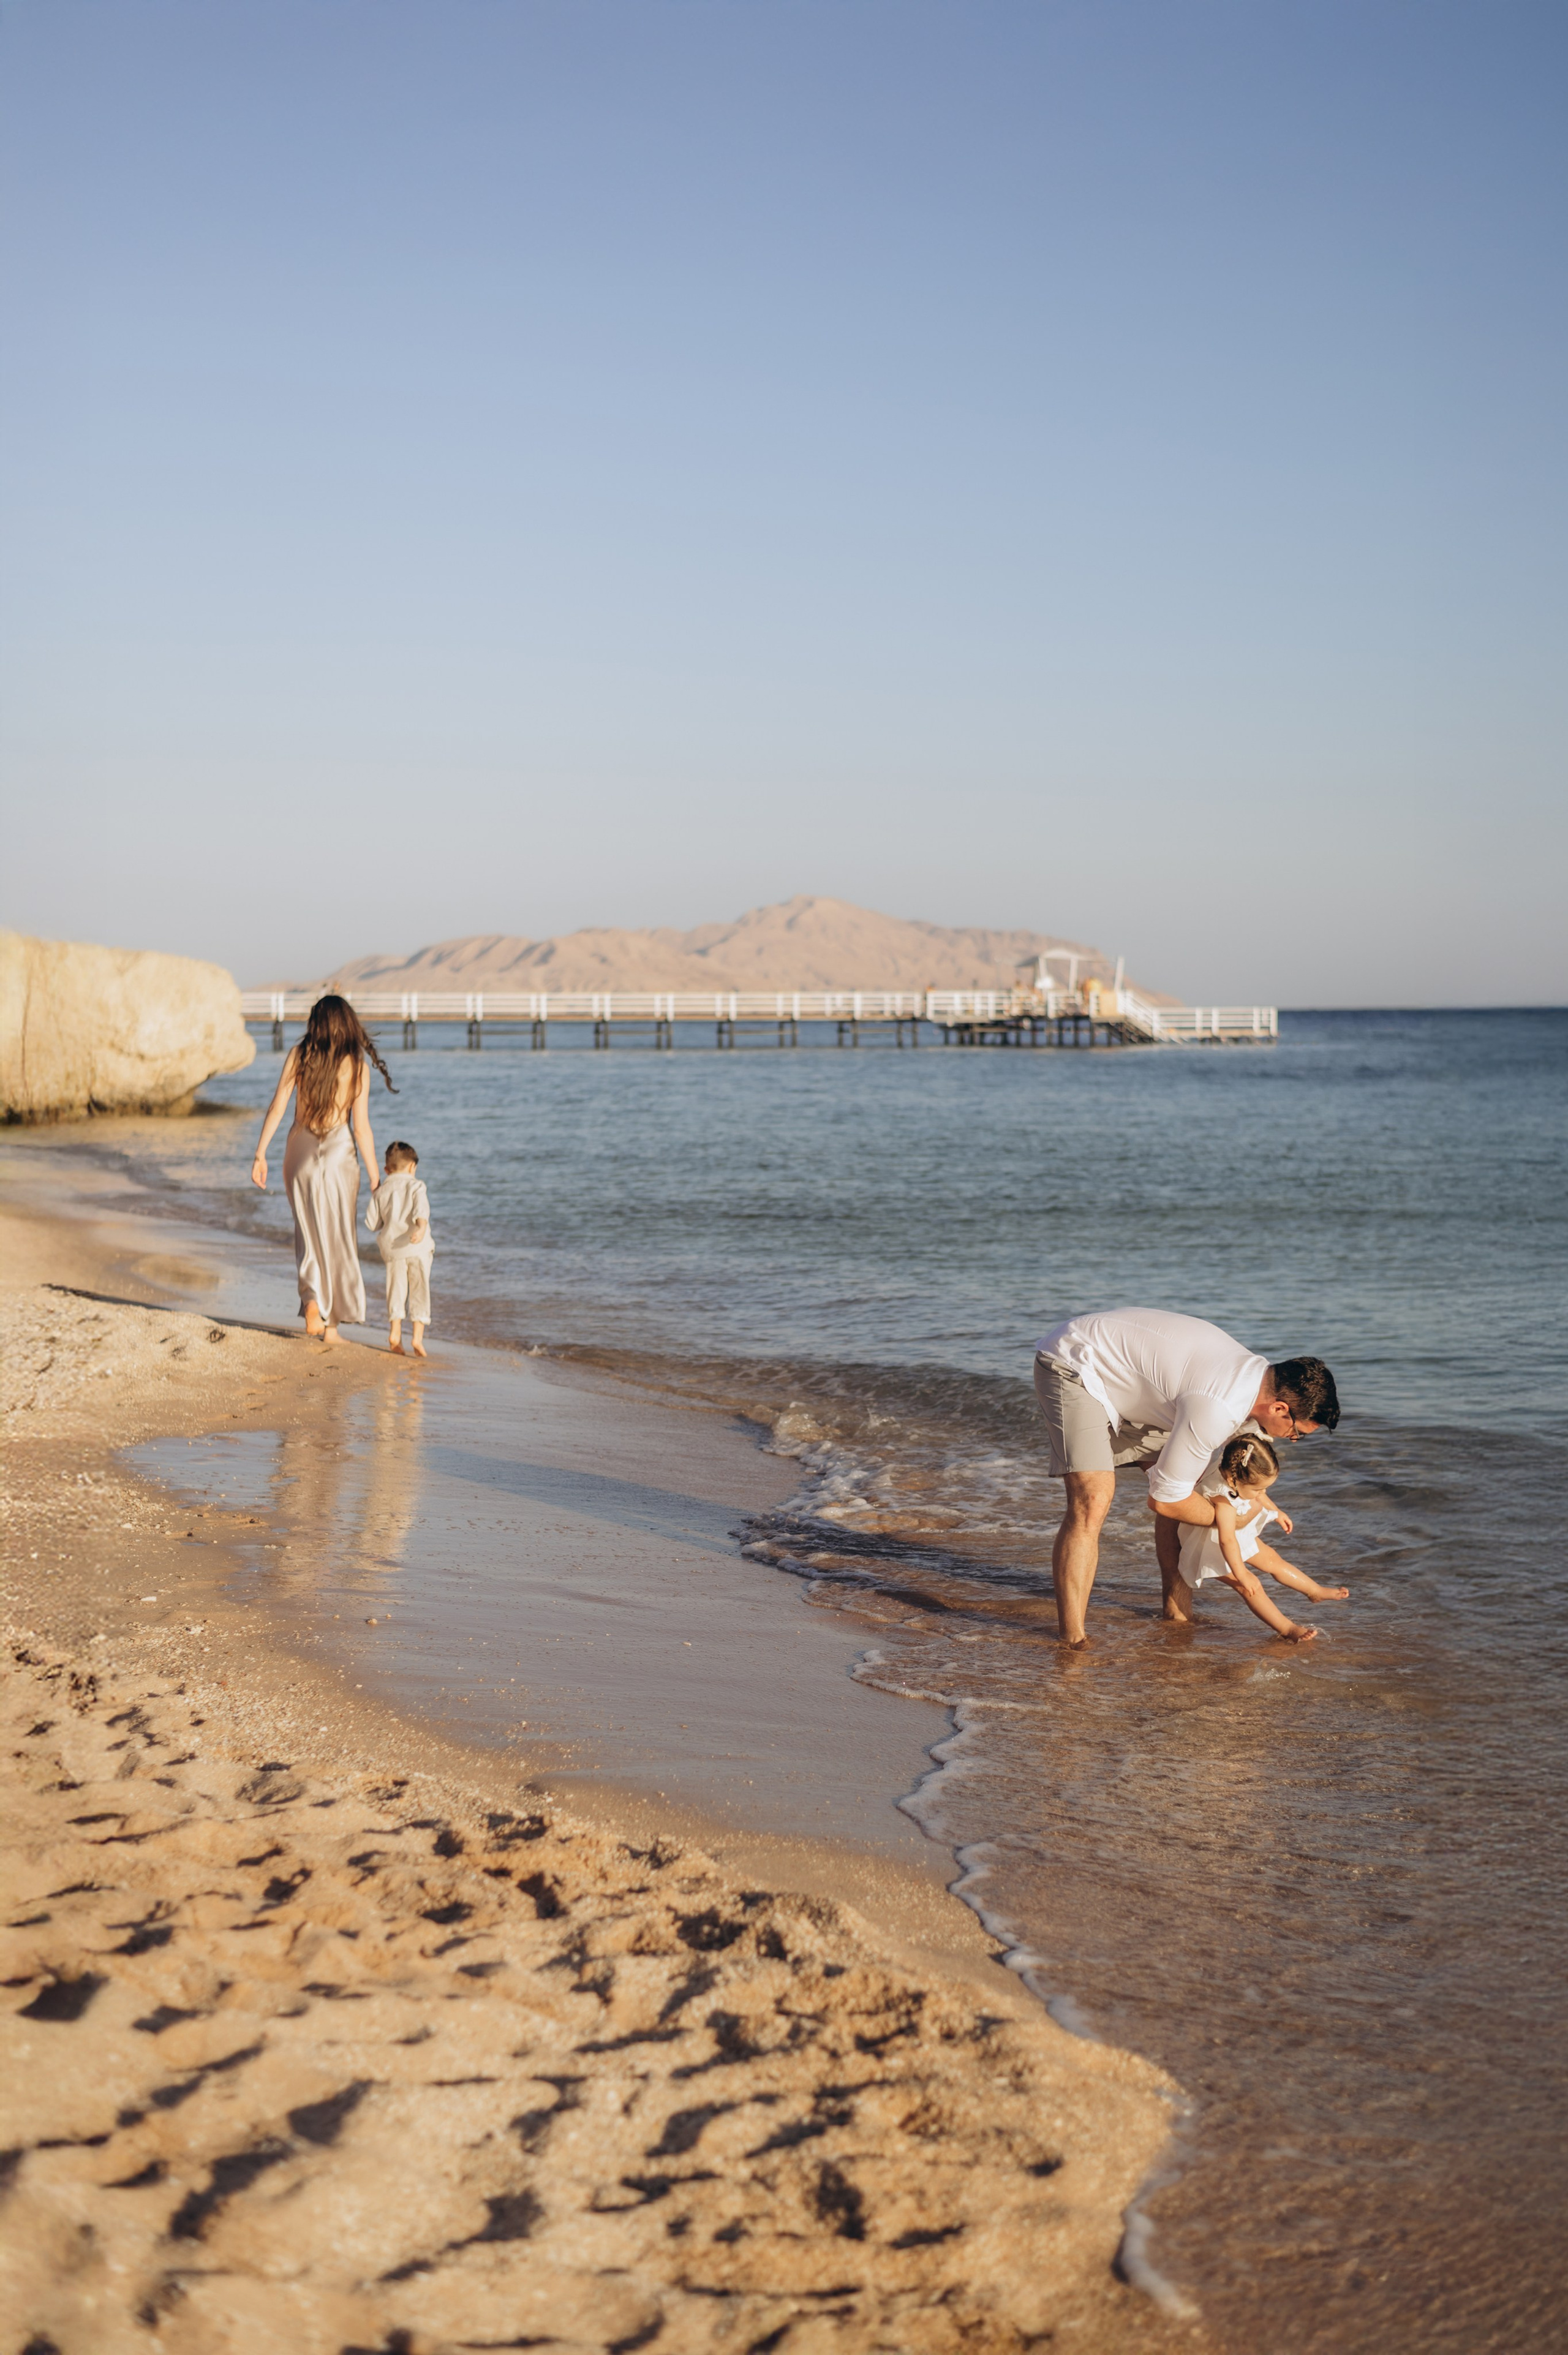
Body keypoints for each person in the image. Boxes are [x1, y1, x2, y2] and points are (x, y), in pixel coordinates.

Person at [1033, 1306, 1340, 1645]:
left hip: (1136, 1384)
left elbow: (1198, 1484)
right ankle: (1073, 1640)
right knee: (1094, 1500)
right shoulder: (1218, 1406)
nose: (1292, 1440)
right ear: (1279, 1408)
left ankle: (1175, 1608)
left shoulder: (1256, 1386)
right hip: (1077, 1363)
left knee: (1187, 1482)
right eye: (1297, 1432)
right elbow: (1165, 1501)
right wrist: (1227, 1518)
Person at [251, 995, 396, 1342]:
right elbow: (361, 1128)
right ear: (347, 1024)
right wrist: (376, 1176)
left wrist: (260, 1153)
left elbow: (277, 1107)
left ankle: (312, 1300)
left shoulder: (300, 1055)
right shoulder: (356, 1064)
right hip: (339, 1156)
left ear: (315, 1023)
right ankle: (331, 1328)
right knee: (339, 1238)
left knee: (308, 1232)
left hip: (299, 1151)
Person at [1170, 1432, 1349, 1641]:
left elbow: (1257, 1496)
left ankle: (1314, 1591)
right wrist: (1243, 1573)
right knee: (1250, 1586)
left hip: (1230, 1536)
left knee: (1272, 1559)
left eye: (1265, 1489)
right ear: (1232, 1480)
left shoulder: (1233, 1467)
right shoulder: (1224, 1499)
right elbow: (1226, 1540)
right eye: (1258, 1489)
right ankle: (1288, 1629)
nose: (1261, 1493)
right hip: (1210, 1546)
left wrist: (1277, 1512)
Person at [366, 1140, 434, 1357]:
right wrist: (421, 1228)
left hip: (393, 1251)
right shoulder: (417, 1185)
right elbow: (421, 1209)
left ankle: (395, 1334)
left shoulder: (382, 1190)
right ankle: (417, 1338)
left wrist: (376, 1195)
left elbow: (371, 1223)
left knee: (396, 1290)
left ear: (386, 1170)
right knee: (419, 1290)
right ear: (413, 1167)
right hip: (418, 1247)